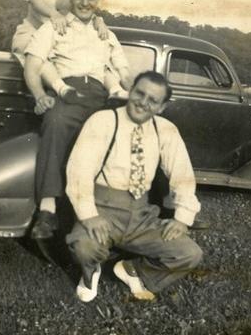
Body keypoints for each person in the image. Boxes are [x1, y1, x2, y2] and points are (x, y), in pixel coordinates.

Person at [65, 71, 203, 302]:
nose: (143, 102)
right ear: (130, 91)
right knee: (85, 247)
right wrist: (88, 215)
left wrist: (182, 217)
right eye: (140, 93)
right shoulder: (104, 120)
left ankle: (135, 272)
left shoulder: (165, 129)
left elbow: (183, 175)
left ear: (161, 107)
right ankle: (90, 273)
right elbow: (79, 170)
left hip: (142, 214)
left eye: (153, 100)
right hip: (103, 207)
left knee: (190, 254)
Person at [24, 0, 131, 239]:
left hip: (102, 95)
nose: (85, 3)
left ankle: (121, 209)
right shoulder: (54, 27)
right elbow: (32, 66)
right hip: (68, 91)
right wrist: (40, 96)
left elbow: (124, 72)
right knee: (56, 121)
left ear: (99, 0)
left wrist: (140, 92)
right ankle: (47, 211)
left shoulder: (106, 33)